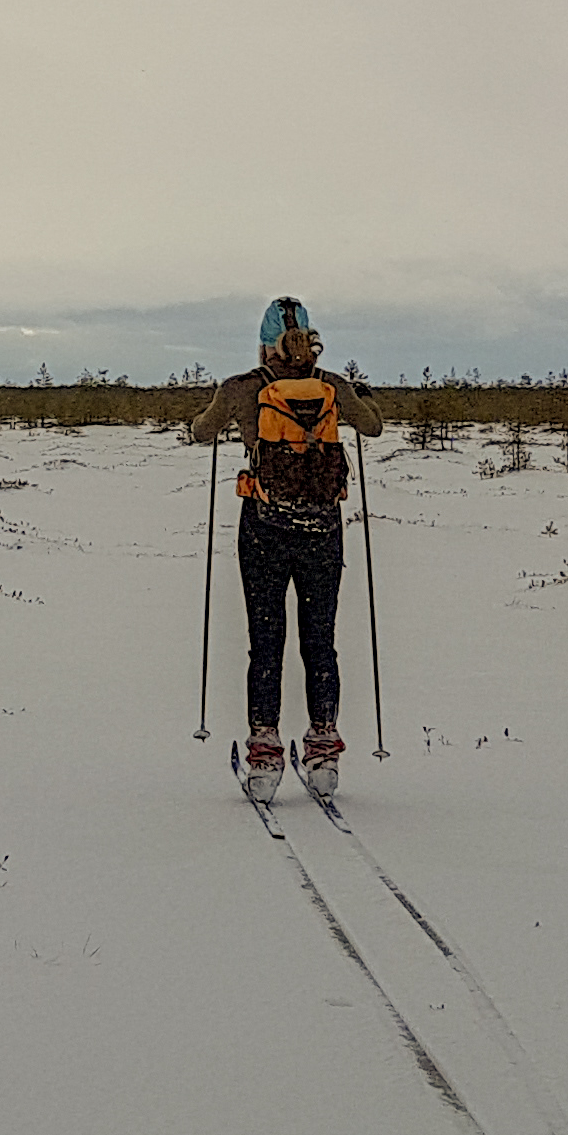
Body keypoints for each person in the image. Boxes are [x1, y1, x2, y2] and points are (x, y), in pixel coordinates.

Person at [184, 297, 384, 799]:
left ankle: (265, 755)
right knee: (320, 640)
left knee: (266, 641)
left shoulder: (241, 387)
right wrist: (363, 397)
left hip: (263, 529)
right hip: (323, 530)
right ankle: (323, 752)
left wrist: (217, 409)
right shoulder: (332, 385)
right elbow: (373, 426)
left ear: (263, 344)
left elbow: (201, 432)